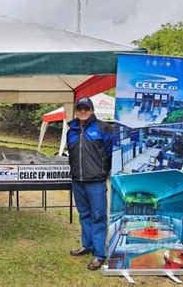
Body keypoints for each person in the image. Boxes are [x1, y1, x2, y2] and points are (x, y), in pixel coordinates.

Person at [66, 96, 112, 271]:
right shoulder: (71, 130)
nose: (83, 111)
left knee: (98, 216)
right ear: (76, 111)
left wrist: (102, 171)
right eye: (80, 108)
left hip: (96, 181)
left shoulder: (104, 128)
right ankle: (87, 245)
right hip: (78, 180)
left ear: (92, 110)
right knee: (84, 214)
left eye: (86, 108)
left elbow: (111, 153)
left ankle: (99, 254)